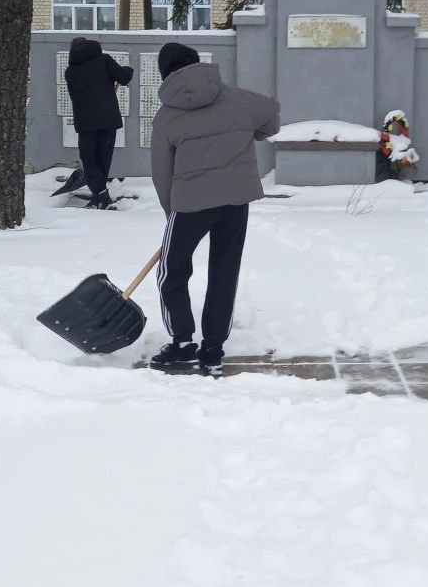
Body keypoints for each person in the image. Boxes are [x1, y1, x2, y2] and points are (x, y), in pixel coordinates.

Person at [149, 42, 280, 377]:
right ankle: (212, 351)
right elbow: (271, 115)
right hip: (236, 202)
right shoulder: (237, 99)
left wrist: (171, 214)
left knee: (171, 271)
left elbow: (162, 173)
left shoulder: (167, 115)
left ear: (165, 73)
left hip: (190, 205)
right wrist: (255, 131)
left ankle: (182, 343)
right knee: (224, 273)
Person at [64, 36, 134, 210]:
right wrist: (128, 69)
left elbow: (73, 97)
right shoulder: (103, 60)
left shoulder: (70, 70)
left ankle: (100, 194)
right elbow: (124, 78)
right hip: (108, 118)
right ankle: (101, 195)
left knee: (89, 158)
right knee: (103, 157)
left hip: (86, 120)